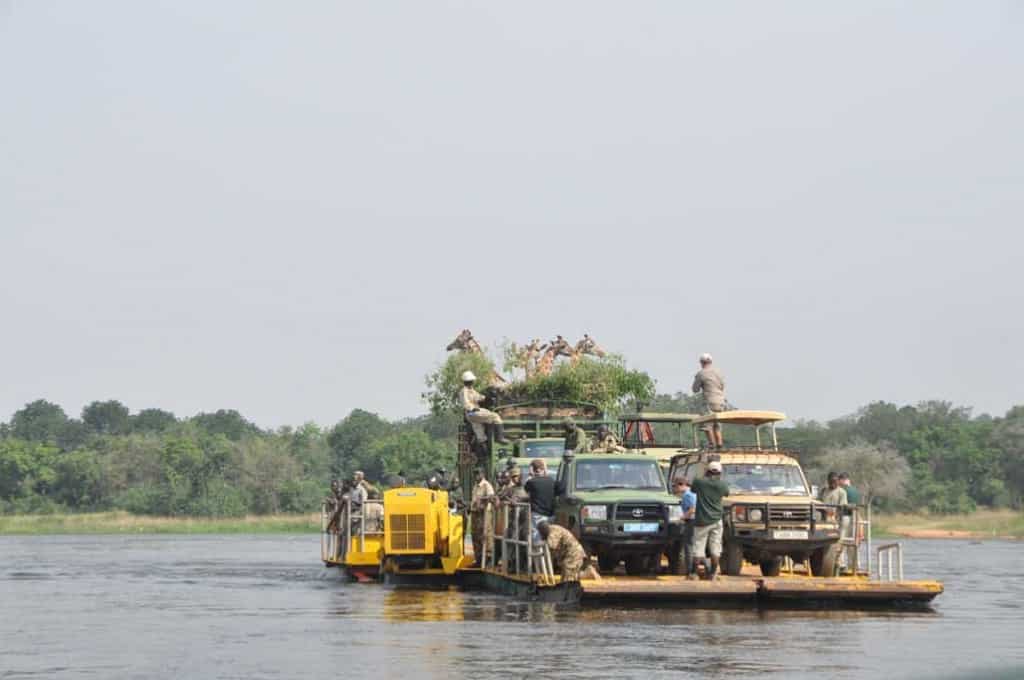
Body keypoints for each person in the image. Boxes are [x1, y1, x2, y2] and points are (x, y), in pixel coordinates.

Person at [690, 461, 730, 580]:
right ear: (719, 472)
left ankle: (694, 573)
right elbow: (727, 494)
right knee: (715, 548)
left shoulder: (699, 482)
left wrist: (704, 473)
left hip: (702, 520)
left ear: (707, 471)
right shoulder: (722, 485)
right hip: (717, 520)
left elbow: (693, 490)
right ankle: (713, 574)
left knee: (698, 546)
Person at [460, 371, 510, 443]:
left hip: (472, 415)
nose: (472, 382)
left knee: (481, 437)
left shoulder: (471, 390)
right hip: (473, 413)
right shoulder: (464, 391)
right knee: (495, 416)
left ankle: (482, 451)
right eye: (471, 381)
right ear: (470, 381)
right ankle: (500, 438)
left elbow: (479, 397)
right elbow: (466, 403)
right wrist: (472, 408)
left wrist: (486, 397)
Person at [692, 353, 726, 449]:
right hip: (721, 401)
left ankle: (711, 444)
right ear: (711, 362)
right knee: (717, 424)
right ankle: (719, 444)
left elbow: (695, 389)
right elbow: (723, 386)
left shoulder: (701, 373)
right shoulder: (719, 373)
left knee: (707, 424)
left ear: (702, 363)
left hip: (709, 401)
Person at [524, 459, 562, 541]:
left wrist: (531, 475)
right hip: (551, 514)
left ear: (533, 470)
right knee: (550, 535)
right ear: (543, 469)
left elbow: (526, 489)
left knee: (537, 536)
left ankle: (538, 552)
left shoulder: (531, 482)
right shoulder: (552, 481)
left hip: (537, 514)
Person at [470, 467, 495, 567]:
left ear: (483, 474)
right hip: (475, 513)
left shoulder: (486, 485)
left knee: (486, 535)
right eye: (475, 474)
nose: (476, 476)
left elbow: (491, 497)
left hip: (484, 513)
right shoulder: (475, 486)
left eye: (478, 474)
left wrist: (482, 500)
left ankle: (488, 559)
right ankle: (478, 559)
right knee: (475, 535)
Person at [671, 477, 697, 575]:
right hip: (694, 521)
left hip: (692, 521)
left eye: (675, 486)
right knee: (693, 546)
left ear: (681, 485)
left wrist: (681, 518)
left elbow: (692, 509)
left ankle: (690, 571)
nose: (674, 489)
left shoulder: (688, 495)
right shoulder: (691, 493)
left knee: (688, 547)